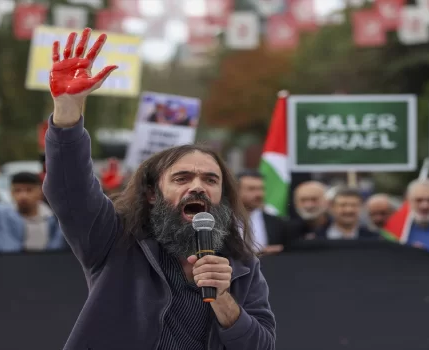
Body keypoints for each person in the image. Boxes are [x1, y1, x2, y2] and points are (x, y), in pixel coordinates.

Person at [43, 28, 275, 350]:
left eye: (210, 180)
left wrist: (223, 298)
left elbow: (262, 346)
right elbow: (69, 189)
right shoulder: (114, 241)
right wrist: (67, 112)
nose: (198, 187)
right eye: (182, 179)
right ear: (153, 194)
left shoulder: (241, 266)